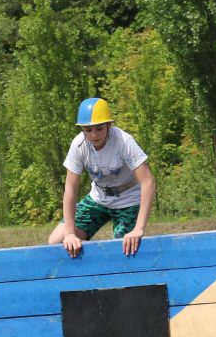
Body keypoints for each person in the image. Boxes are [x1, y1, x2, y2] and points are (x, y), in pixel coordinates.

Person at [47, 97, 156, 258]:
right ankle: (83, 278)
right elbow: (70, 189)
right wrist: (70, 233)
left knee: (122, 250)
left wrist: (138, 228)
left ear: (109, 125)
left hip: (128, 201)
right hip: (98, 198)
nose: (94, 135)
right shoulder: (79, 145)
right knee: (57, 241)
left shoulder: (123, 142)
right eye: (88, 130)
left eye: (99, 128)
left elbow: (148, 182)